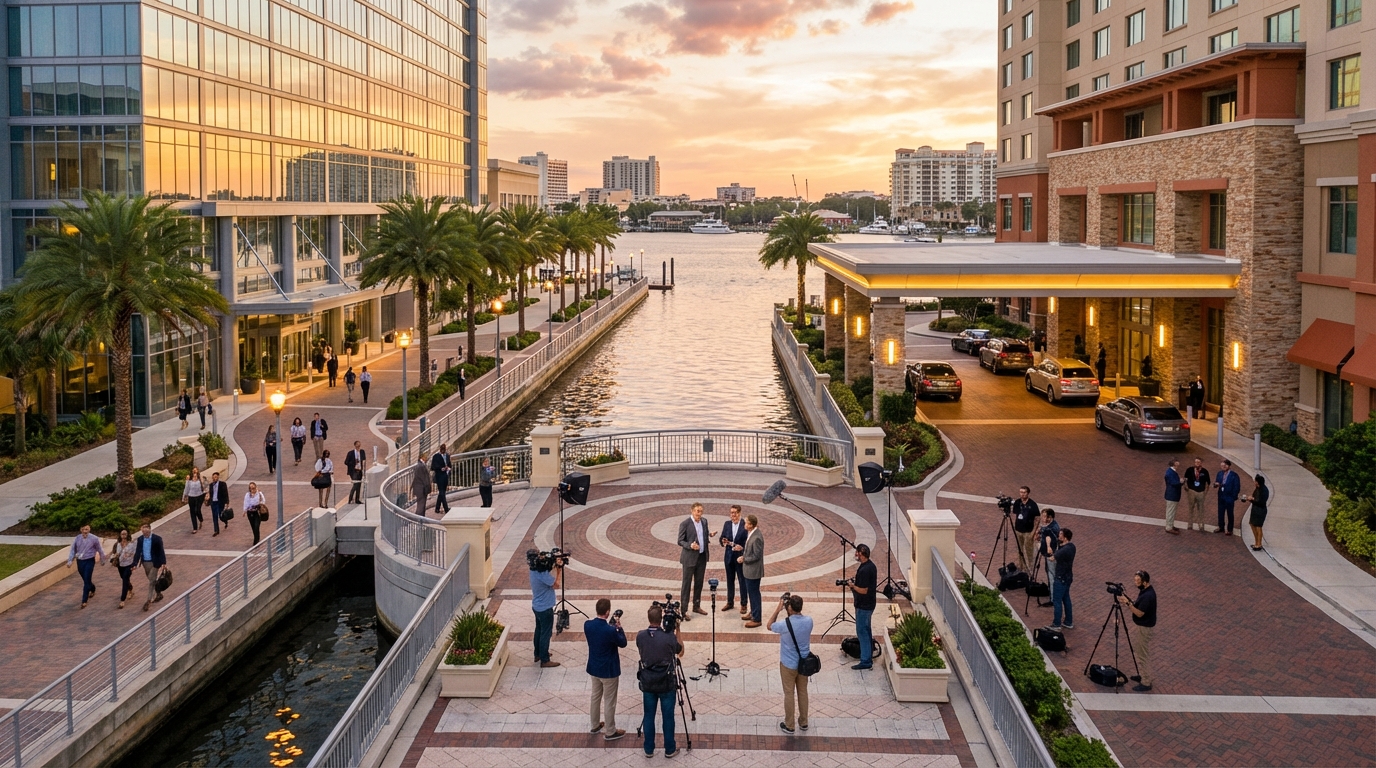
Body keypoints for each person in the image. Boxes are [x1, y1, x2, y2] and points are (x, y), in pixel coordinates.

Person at [636, 604, 684, 758]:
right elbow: (680, 652)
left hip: (648, 681)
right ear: (661, 619)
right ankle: (669, 749)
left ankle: (648, 749)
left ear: (649, 618)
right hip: (666, 682)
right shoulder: (669, 637)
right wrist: (678, 629)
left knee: (648, 715)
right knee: (668, 716)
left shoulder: (640, 636)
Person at [584, 598, 627, 741]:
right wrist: (619, 627)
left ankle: (595, 725)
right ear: (608, 612)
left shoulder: (587, 625)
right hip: (608, 670)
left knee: (595, 696)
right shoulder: (611, 630)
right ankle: (610, 731)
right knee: (609, 700)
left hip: (594, 667)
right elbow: (623, 643)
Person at [769, 594, 812, 734]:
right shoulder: (809, 621)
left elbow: (769, 625)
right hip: (804, 664)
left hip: (788, 664)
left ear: (790, 608)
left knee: (789, 693)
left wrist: (777, 609)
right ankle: (804, 722)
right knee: (803, 692)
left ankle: (789, 725)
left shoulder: (784, 624)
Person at [1116, 571, 1156, 692]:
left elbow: (1139, 613)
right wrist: (1130, 602)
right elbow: (1139, 606)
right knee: (1139, 651)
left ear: (1145, 582)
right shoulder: (1145, 592)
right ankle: (1143, 675)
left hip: (1144, 629)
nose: (1136, 583)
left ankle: (1146, 681)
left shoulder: (1148, 596)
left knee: (1141, 654)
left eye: (1138, 581)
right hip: (1142, 627)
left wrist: (1128, 603)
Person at [676, 502, 714, 620]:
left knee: (699, 583)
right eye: (697, 511)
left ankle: (696, 605)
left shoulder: (704, 521)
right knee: (686, 584)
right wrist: (690, 545)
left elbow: (704, 534)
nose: (699, 513)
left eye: (701, 511)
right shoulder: (685, 524)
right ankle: (683, 610)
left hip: (702, 557)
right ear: (692, 511)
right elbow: (680, 540)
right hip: (689, 558)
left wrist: (709, 535)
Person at [529, 549, 562, 668]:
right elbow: (556, 585)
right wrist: (558, 571)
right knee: (545, 634)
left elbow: (544, 568)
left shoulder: (533, 570)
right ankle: (544, 659)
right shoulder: (542, 575)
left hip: (537, 606)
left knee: (539, 630)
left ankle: (537, 653)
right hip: (545, 608)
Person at [851, 543, 878, 670]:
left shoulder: (865, 570)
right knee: (866, 630)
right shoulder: (871, 566)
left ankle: (866, 660)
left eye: (857, 553)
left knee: (862, 631)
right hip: (869, 604)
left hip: (864, 605)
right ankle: (867, 655)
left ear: (861, 554)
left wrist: (852, 586)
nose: (856, 555)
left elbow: (864, 590)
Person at [67, 524, 106, 608]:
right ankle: (92, 588)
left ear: (89, 529)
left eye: (87, 529)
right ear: (81, 529)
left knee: (87, 578)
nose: (85, 531)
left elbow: (100, 549)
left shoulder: (94, 539)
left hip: (89, 560)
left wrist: (103, 559)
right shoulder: (77, 538)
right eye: (84, 529)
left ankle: (84, 600)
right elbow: (73, 550)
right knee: (85, 579)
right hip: (80, 561)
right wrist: (70, 560)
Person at [719, 504, 748, 613]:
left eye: (735, 513)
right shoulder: (727, 524)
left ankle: (744, 603)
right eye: (731, 513)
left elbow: (748, 541)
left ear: (739, 513)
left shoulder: (745, 524)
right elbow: (722, 537)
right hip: (729, 556)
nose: (733, 515)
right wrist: (723, 541)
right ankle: (730, 602)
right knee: (729, 580)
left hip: (740, 556)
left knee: (742, 580)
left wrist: (742, 547)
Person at [132, 523, 167, 611]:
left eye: (146, 532)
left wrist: (163, 563)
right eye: (143, 532)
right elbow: (137, 552)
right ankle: (158, 593)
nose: (145, 534)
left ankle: (148, 600)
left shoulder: (157, 539)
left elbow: (161, 551)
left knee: (151, 581)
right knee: (152, 579)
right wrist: (135, 563)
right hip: (145, 563)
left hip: (155, 563)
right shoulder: (140, 539)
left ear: (150, 529)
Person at [740, 514, 765, 627]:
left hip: (753, 571)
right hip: (749, 570)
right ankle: (753, 612)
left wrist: (744, 559)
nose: (744, 524)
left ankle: (757, 618)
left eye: (746, 523)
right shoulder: (752, 533)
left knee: (754, 594)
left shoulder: (757, 537)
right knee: (751, 593)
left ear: (750, 525)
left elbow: (756, 556)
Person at [1049, 528, 1075, 631]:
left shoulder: (1063, 550)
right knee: (1066, 598)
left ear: (1065, 537)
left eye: (1060, 534)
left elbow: (1052, 558)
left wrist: (1048, 549)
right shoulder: (1072, 547)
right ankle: (1068, 621)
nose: (1058, 536)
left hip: (1060, 578)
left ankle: (1057, 623)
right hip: (1068, 577)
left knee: (1057, 601)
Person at [1011, 486, 1040, 571]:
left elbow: (1037, 519)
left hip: (1028, 531)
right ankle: (1021, 567)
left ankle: (1030, 567)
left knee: (1029, 551)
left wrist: (1033, 532)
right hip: (1018, 530)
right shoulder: (1017, 502)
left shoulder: (1033, 504)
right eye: (1021, 492)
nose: (1022, 494)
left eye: (1024, 492)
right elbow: (1015, 514)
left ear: (1028, 493)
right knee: (1019, 550)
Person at [1242, 474, 1270, 551]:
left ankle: (1259, 544)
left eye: (1255, 481)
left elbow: (1260, 501)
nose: (1254, 482)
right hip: (1255, 509)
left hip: (1260, 510)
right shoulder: (1257, 488)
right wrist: (1249, 498)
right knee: (1252, 524)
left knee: (1258, 526)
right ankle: (1256, 542)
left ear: (1258, 482)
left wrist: (1252, 499)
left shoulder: (1264, 490)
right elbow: (1254, 496)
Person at [109, 529, 136, 608]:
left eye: (125, 534)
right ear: (120, 535)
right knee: (124, 578)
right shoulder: (117, 544)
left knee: (124, 580)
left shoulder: (131, 544)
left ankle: (122, 600)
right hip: (120, 565)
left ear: (127, 535)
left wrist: (134, 564)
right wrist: (113, 558)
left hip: (129, 565)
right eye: (122, 534)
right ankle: (130, 588)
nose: (123, 535)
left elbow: (135, 554)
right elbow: (114, 553)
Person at [1214, 459, 1241, 536]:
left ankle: (1230, 529)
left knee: (1230, 513)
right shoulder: (1219, 473)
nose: (1223, 467)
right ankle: (1221, 527)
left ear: (1229, 466)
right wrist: (1216, 484)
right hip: (1221, 496)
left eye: (1225, 466)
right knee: (1220, 512)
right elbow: (1217, 483)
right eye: (1222, 466)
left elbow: (1237, 487)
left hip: (1229, 497)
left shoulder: (1234, 475)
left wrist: (1233, 497)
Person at [1183, 457, 1210, 531]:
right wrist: (1186, 487)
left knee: (1201, 508)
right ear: (1194, 463)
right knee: (1191, 508)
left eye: (1198, 462)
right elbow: (1185, 479)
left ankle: (1201, 524)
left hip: (1201, 492)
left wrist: (1205, 493)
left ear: (1201, 463)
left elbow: (1208, 483)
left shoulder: (1205, 471)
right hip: (1191, 491)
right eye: (1196, 462)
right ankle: (1190, 524)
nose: (1197, 463)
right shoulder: (1189, 470)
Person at [1037, 509, 1061, 581]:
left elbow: (1054, 541)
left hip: (1051, 555)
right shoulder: (1048, 526)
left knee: (1052, 574)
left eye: (1045, 516)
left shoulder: (1052, 528)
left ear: (1050, 517)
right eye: (1042, 516)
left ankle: (1053, 591)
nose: (1043, 518)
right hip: (1047, 553)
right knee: (1048, 571)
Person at [430, 443, 453, 515]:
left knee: (442, 492)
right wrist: (440, 468)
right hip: (439, 476)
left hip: (445, 475)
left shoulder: (447, 456)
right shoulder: (436, 456)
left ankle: (437, 508)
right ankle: (446, 508)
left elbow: (449, 465)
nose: (443, 451)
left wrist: (448, 468)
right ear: (440, 449)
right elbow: (433, 467)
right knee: (442, 492)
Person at [183, 467, 206, 534]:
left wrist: (207, 494)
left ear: (198, 471)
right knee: (192, 512)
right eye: (193, 470)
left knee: (197, 510)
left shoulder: (201, 477)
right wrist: (185, 496)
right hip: (191, 497)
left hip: (200, 496)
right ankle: (195, 528)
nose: (194, 471)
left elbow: (206, 485)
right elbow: (186, 488)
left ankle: (201, 519)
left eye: (196, 470)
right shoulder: (189, 479)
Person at [1163, 459, 1183, 535]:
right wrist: (1181, 481)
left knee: (1172, 511)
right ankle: (1169, 527)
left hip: (1173, 495)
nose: (1179, 464)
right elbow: (1173, 483)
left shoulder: (1171, 472)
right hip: (1172, 495)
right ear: (1174, 464)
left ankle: (1171, 525)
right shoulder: (1170, 473)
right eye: (1177, 463)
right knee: (1170, 511)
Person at [207, 471, 229, 536]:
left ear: (218, 477)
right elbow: (210, 494)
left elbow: (226, 494)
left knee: (221, 516)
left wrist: (227, 502)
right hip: (213, 503)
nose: (214, 478)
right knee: (214, 516)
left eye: (216, 477)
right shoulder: (211, 485)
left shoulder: (222, 484)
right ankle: (216, 530)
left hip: (220, 502)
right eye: (213, 477)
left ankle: (225, 521)